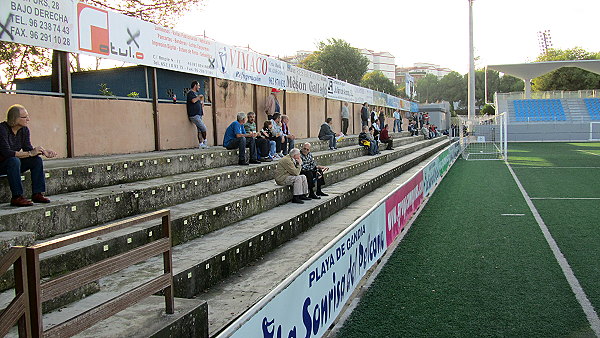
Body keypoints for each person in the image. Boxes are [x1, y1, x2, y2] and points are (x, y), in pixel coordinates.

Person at [0, 104, 57, 206]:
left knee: (36, 160)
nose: (28, 119)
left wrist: (43, 151)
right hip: (2, 164)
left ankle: (37, 194)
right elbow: (7, 153)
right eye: (25, 117)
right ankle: (17, 197)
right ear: (15, 118)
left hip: (13, 164)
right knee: (14, 160)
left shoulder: (24, 130)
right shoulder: (2, 129)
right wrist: (31, 153)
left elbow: (28, 149)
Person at [186, 80, 208, 149]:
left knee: (199, 129)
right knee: (203, 128)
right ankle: (205, 141)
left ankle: (200, 144)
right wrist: (199, 97)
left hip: (199, 114)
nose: (199, 87)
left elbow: (199, 102)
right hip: (194, 115)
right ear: (195, 85)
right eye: (198, 85)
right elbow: (193, 101)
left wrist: (202, 102)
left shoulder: (195, 94)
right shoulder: (190, 93)